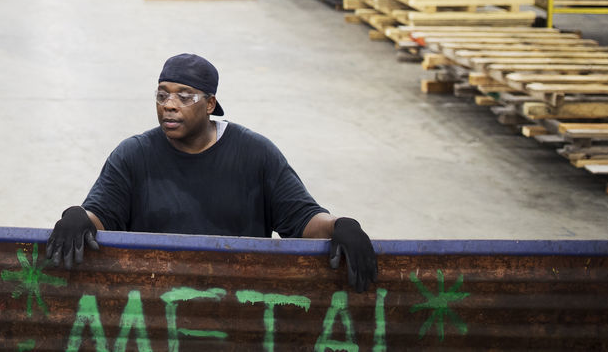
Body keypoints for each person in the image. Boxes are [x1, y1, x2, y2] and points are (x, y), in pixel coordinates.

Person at [46, 53, 378, 293]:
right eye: (162, 95)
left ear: (209, 104)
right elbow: (103, 216)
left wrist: (339, 226)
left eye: (184, 96)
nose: (169, 105)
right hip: (154, 301)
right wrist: (79, 217)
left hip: (239, 300)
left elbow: (302, 219)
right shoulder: (135, 154)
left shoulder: (255, 153)